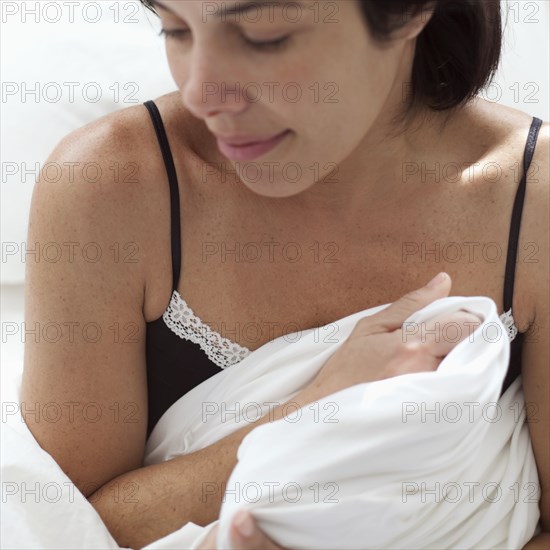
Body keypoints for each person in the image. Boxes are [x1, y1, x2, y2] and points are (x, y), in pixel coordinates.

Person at [20, 1, 548, 548]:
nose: (202, 93)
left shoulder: (536, 204)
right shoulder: (111, 187)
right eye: (175, 29)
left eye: (262, 34)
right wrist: (321, 407)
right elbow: (60, 526)